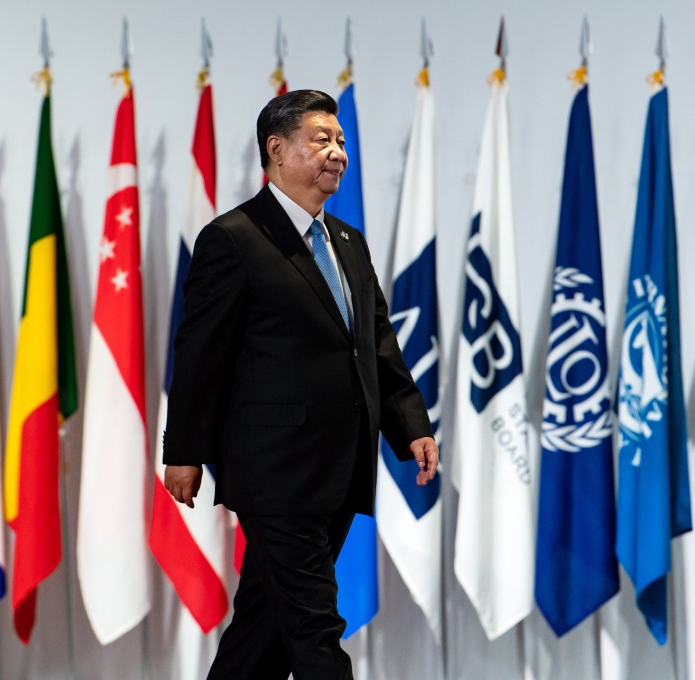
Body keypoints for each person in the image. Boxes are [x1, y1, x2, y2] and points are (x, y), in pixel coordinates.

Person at [162, 89, 439, 680]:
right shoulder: (233, 239)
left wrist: (409, 425)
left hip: (341, 467)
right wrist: (183, 452)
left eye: (341, 142)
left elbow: (377, 343)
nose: (338, 152)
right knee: (315, 630)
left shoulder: (348, 242)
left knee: (262, 632)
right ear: (277, 149)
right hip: (274, 471)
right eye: (323, 140)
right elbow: (200, 355)